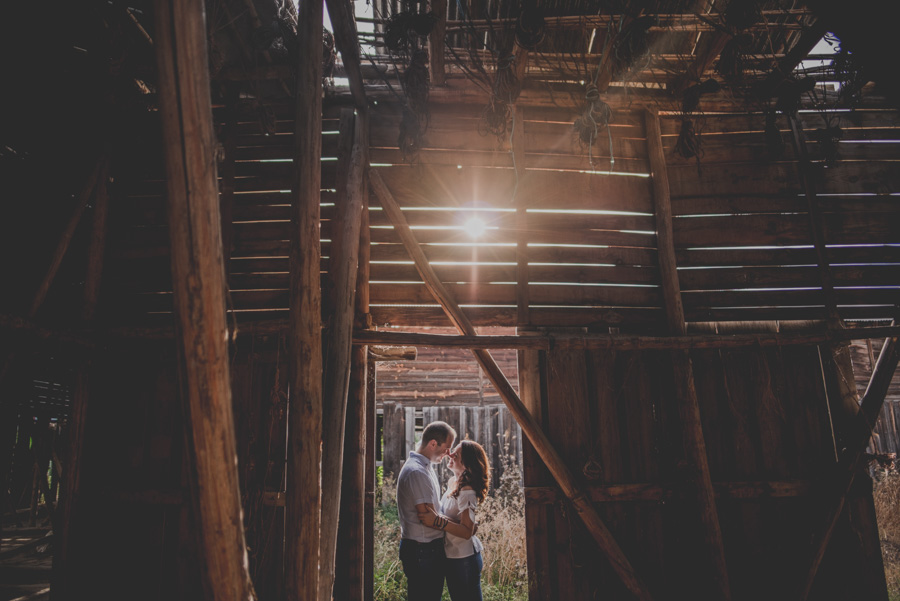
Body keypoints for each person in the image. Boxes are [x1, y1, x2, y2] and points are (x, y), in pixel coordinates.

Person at [418, 439, 491, 601]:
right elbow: (463, 524)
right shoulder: (454, 484)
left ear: (467, 464)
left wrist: (437, 521)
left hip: (464, 559)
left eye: (456, 455)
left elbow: (466, 532)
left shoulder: (467, 491)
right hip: (452, 557)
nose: (450, 455)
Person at [396, 421, 457, 601]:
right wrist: (462, 527)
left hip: (425, 551)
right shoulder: (417, 472)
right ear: (433, 444)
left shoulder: (425, 467)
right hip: (422, 551)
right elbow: (429, 519)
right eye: (447, 448)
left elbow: (435, 515)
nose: (449, 454)